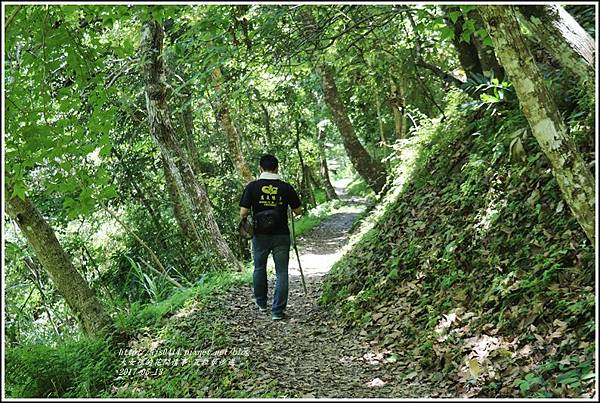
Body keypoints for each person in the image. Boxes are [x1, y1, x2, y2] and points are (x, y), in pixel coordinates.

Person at [239, 154, 302, 320]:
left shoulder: (252, 187)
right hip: (281, 234)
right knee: (282, 272)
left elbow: (243, 212)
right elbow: (298, 211)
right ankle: (277, 311)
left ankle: (261, 303)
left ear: (260, 168)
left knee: (259, 268)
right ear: (277, 168)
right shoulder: (286, 187)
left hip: (260, 236)